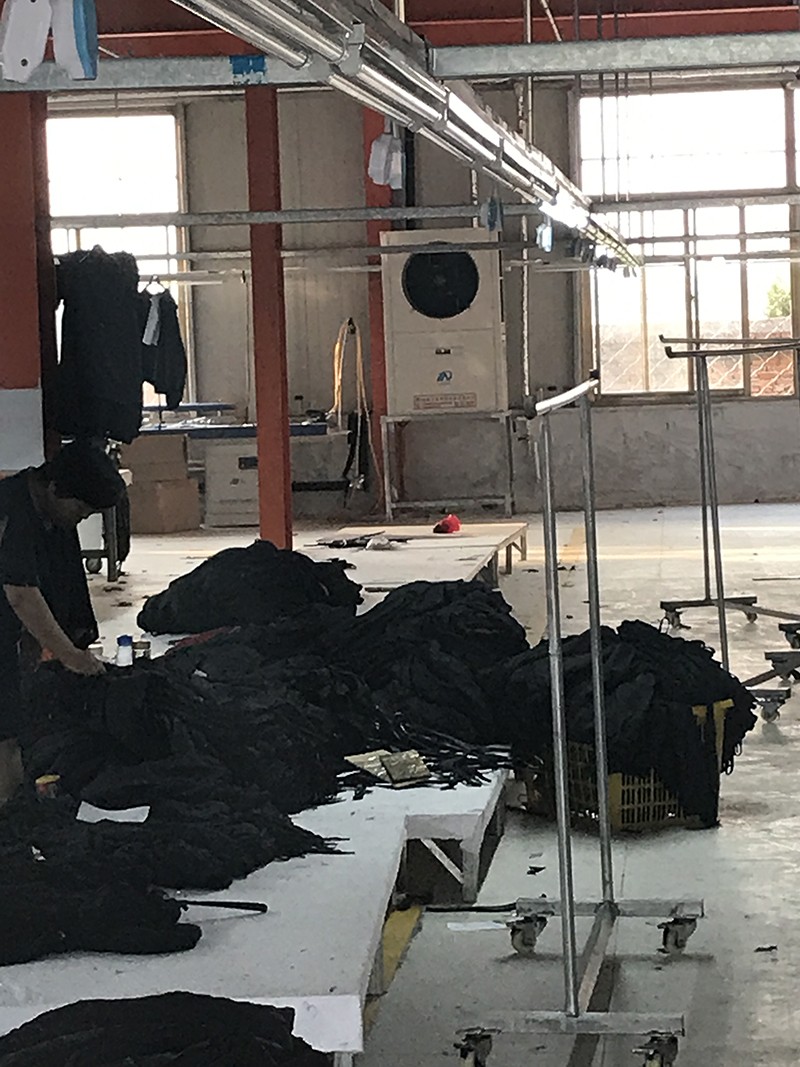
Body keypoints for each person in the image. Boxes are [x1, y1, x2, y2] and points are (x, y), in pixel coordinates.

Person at [0, 440, 125, 803]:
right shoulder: (12, 511)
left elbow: (52, 585)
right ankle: (11, 817)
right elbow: (21, 593)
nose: (82, 518)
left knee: (11, 724)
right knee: (5, 732)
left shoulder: (46, 512)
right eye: (81, 509)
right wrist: (69, 655)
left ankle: (14, 805)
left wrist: (37, 641)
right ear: (54, 487)